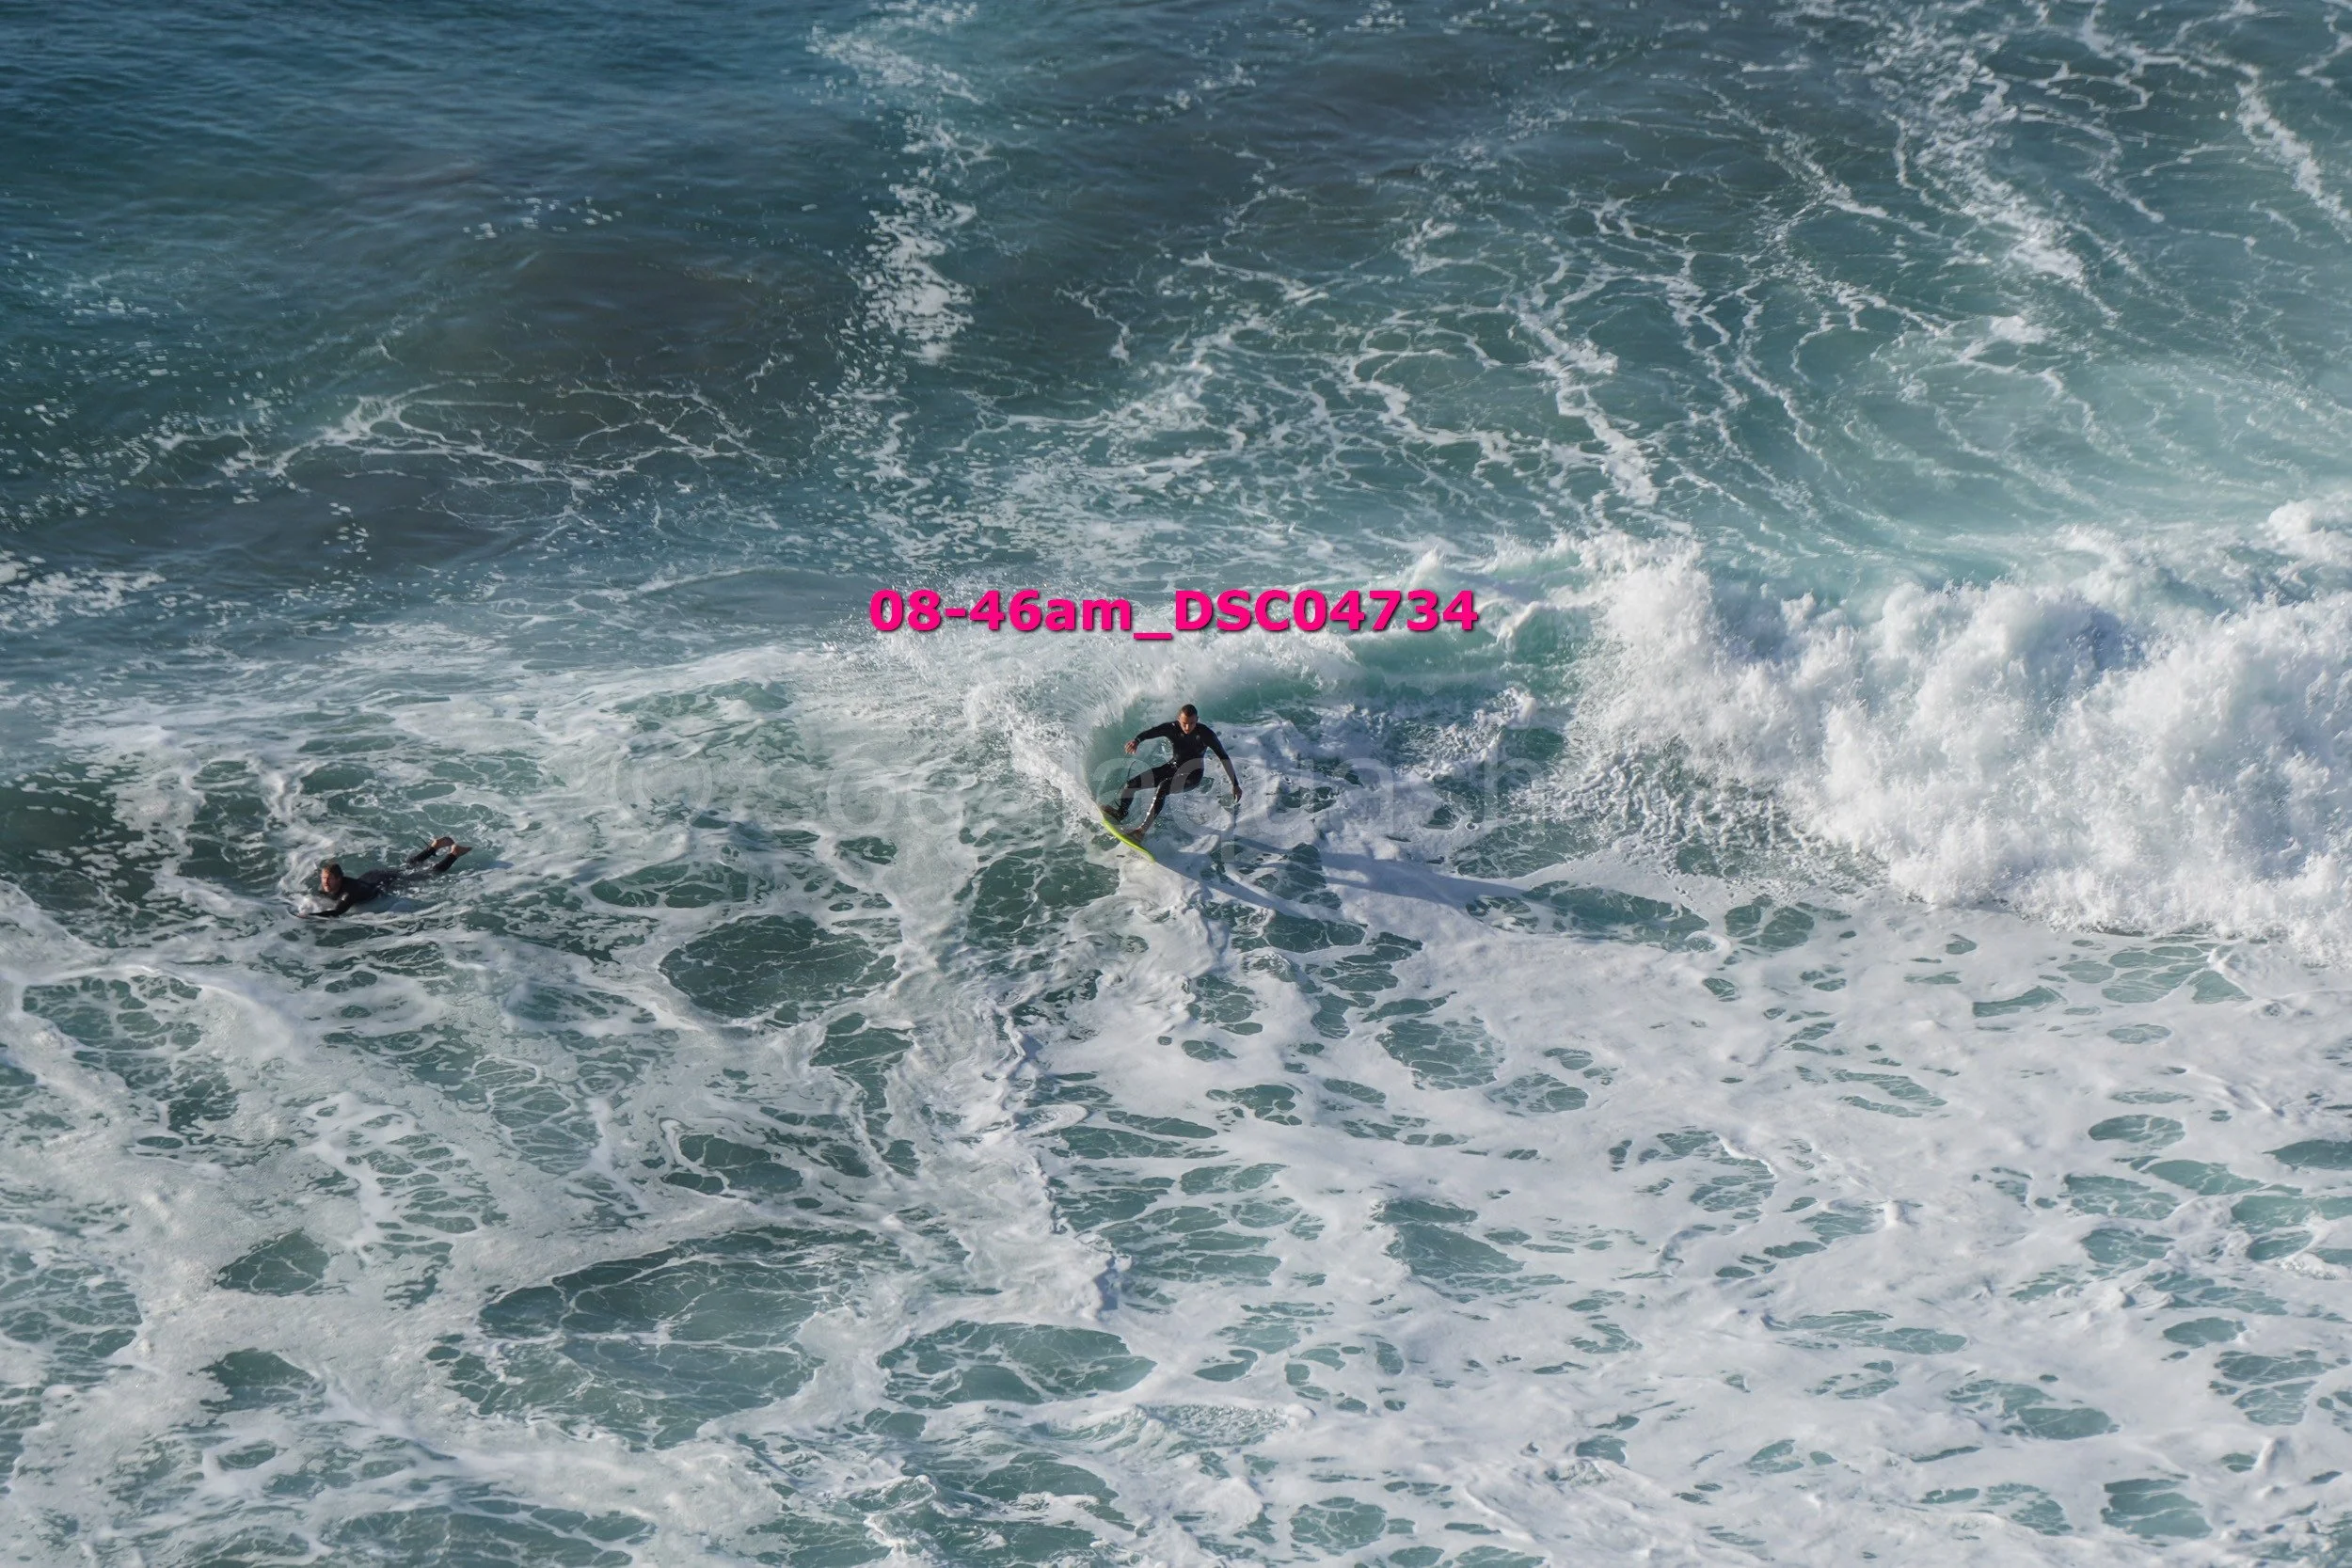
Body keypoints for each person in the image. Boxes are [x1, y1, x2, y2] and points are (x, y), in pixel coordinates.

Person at [1106, 705, 1239, 835]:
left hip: (1192, 776)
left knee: (1163, 787)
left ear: (1197, 719)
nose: (1188, 727)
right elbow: (1152, 732)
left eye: (1192, 723)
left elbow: (1224, 757)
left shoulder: (1206, 734)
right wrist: (1137, 740)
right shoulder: (1172, 728)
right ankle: (1120, 813)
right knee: (1132, 784)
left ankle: (1141, 831)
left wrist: (1235, 784)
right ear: (1178, 719)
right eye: (1184, 723)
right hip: (1173, 767)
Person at [306, 835, 471, 918]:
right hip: (372, 875)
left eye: (329, 879)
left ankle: (454, 853)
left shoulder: (348, 894)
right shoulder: (330, 887)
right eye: (323, 879)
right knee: (407, 866)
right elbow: (323, 894)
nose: (325, 883)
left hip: (383, 881)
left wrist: (310, 916)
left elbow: (337, 912)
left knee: (429, 874)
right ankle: (434, 846)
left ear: (339, 879)